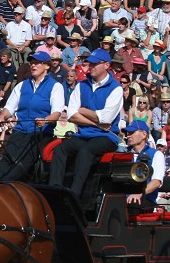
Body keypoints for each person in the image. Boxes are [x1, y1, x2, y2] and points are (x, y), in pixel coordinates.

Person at [49, 48, 123, 196]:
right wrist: (95, 122)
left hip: (106, 136)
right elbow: (71, 115)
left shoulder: (116, 88)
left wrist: (82, 110)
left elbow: (106, 118)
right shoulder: (82, 85)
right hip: (86, 133)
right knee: (60, 149)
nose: (91, 67)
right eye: (90, 64)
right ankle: (54, 191)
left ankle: (74, 195)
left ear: (107, 65)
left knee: (86, 151)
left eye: (95, 64)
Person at [0, 51, 65, 182]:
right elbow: (9, 108)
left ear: (47, 66)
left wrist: (45, 120)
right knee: (7, 157)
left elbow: (57, 113)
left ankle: (3, 185)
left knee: (21, 162)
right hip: (21, 130)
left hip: (40, 134)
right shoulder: (21, 85)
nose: (33, 66)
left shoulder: (56, 86)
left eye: (37, 63)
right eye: (31, 63)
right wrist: (2, 116)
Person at [123, 121, 164, 207]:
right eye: (128, 133)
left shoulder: (156, 155)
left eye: (132, 132)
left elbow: (156, 182)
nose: (128, 135)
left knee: (132, 204)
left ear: (144, 134)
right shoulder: (124, 153)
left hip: (145, 199)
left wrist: (140, 194)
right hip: (124, 197)